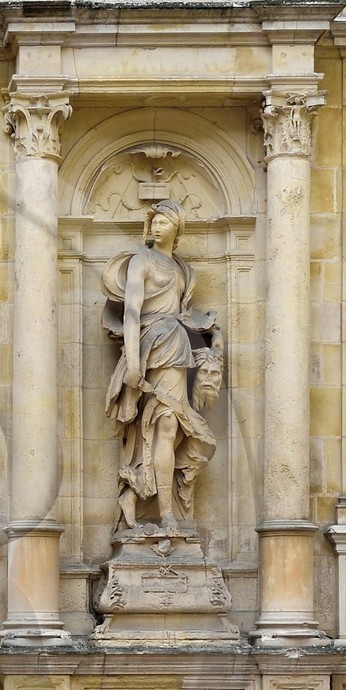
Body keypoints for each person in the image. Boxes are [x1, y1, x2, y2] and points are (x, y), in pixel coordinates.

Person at [101, 198, 223, 536]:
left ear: (178, 228)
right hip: (151, 346)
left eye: (165, 221)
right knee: (159, 425)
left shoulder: (184, 271)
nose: (157, 225)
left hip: (177, 346)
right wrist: (133, 362)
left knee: (169, 429)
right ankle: (160, 511)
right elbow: (131, 312)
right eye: (154, 220)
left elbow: (184, 315)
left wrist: (215, 335)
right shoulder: (141, 261)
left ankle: (167, 513)